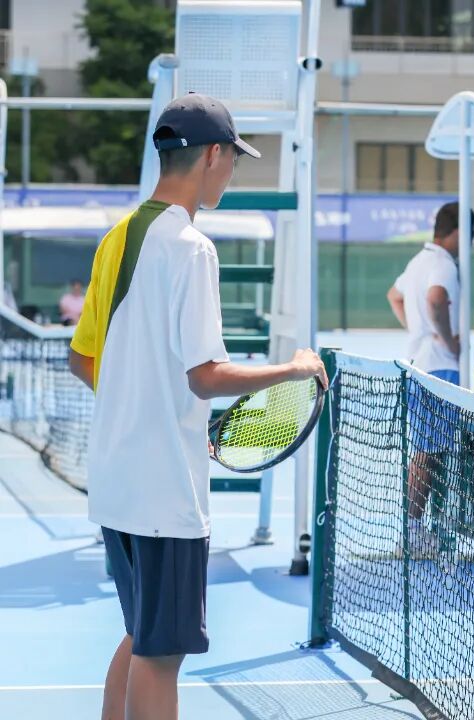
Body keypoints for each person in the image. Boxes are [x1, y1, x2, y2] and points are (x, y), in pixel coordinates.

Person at [67, 93, 327, 720]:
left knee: (141, 635)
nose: (232, 171)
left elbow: (83, 360)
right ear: (213, 155)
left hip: (116, 483)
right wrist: (294, 368)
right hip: (164, 493)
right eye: (233, 158)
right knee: (161, 654)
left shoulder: (118, 238)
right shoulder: (191, 247)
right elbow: (207, 377)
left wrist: (148, 408)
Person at [386, 201, 474, 556]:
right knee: (428, 453)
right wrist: (449, 341)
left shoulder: (418, 261)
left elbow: (394, 296)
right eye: (469, 235)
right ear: (457, 232)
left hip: (420, 364)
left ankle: (418, 529)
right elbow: (436, 299)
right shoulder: (443, 264)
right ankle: (411, 533)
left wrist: (419, 332)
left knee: (431, 452)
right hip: (439, 368)